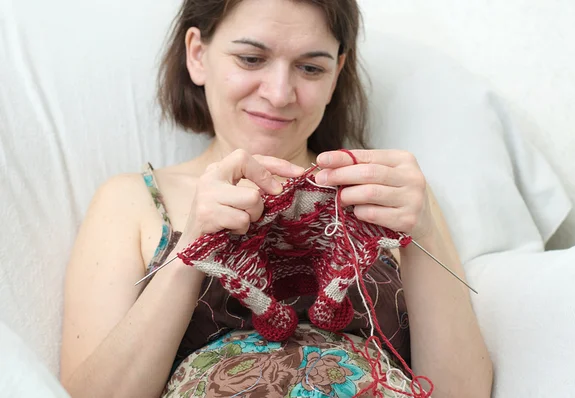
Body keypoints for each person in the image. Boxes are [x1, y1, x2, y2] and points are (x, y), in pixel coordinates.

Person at [59, 0, 493, 397]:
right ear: (197, 54)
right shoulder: (131, 200)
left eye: (311, 68)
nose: (280, 92)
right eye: (251, 59)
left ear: (336, 74)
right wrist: (193, 250)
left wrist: (425, 236)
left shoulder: (390, 196)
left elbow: (462, 393)